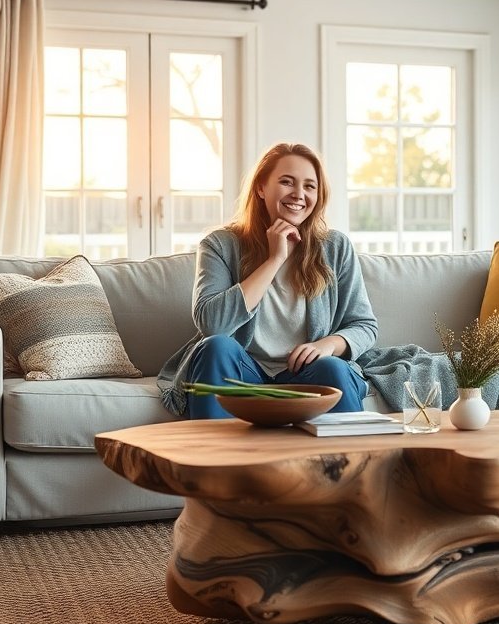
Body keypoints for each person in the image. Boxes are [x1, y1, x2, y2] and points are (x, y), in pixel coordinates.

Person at [159, 142, 378, 419]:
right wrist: (274, 260)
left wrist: (327, 345)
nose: (299, 194)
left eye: (310, 186)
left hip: (306, 376)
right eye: (287, 182)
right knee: (216, 347)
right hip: (244, 374)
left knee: (333, 367)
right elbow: (212, 325)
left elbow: (364, 325)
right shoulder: (220, 245)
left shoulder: (335, 247)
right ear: (261, 188)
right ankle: (214, 460)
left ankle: (354, 462)